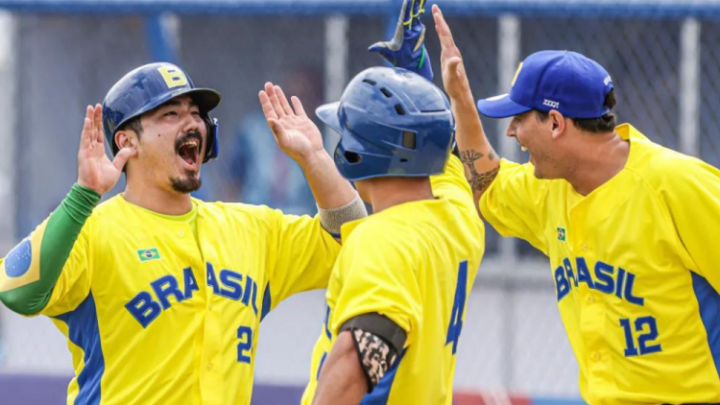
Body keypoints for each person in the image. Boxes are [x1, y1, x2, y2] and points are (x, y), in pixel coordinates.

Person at [0, 62, 366, 405]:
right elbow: (17, 292)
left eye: (196, 114)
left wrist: (314, 158)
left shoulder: (251, 229)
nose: (192, 124)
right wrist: (84, 195)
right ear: (128, 142)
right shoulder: (94, 230)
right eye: (171, 114)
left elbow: (351, 243)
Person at [433, 4, 720, 404]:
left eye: (519, 118)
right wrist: (459, 99)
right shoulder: (551, 189)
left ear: (555, 122)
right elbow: (488, 184)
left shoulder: (677, 185)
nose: (512, 132)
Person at [288, 2, 485, 404]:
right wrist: (415, 81)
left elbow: (356, 356)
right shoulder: (459, 214)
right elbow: (438, 153)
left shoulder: (381, 239)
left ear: (361, 154)